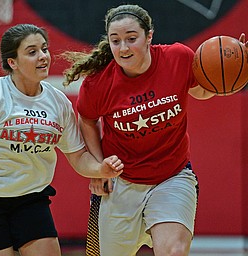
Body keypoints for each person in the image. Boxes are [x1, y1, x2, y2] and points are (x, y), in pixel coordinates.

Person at [62, 4, 248, 256]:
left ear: (149, 36)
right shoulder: (98, 82)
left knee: (173, 252)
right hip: (122, 183)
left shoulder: (177, 57)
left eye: (131, 38)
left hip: (172, 177)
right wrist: (98, 166)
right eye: (115, 41)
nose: (123, 48)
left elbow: (202, 91)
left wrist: (235, 67)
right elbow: (87, 119)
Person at [0, 24, 124, 256]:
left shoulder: (58, 103)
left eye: (44, 49)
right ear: (12, 62)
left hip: (30, 197)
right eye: (32, 51)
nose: (43, 56)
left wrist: (100, 169)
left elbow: (78, 155)